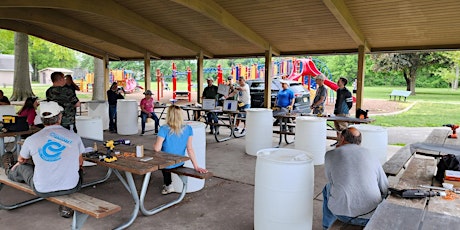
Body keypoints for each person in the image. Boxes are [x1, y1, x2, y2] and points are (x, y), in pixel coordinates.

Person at [2, 101, 85, 217]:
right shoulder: (75, 137)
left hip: (42, 189)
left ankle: (9, 170)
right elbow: (80, 163)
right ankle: (66, 205)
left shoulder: (31, 139)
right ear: (60, 117)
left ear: (41, 119)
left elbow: (21, 160)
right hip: (72, 186)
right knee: (76, 169)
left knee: (22, 167)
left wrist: (21, 163)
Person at [322, 127, 388, 229]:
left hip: (342, 214)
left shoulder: (330, 154)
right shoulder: (371, 154)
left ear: (342, 138)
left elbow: (331, 180)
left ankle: (326, 226)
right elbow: (384, 186)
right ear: (359, 141)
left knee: (327, 187)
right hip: (371, 215)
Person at [153, 105, 207, 195]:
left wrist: (154, 144)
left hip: (166, 164)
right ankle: (171, 184)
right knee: (172, 162)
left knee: (162, 162)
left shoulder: (164, 128)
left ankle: (168, 185)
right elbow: (190, 149)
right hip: (180, 162)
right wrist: (196, 166)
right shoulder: (188, 128)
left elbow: (157, 148)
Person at [333, 77, 353, 142]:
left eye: (339, 82)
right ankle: (339, 141)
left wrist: (345, 110)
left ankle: (345, 141)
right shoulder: (338, 90)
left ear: (343, 83)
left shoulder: (347, 92)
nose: (337, 82)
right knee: (337, 128)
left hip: (343, 113)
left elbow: (350, 103)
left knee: (344, 128)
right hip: (337, 112)